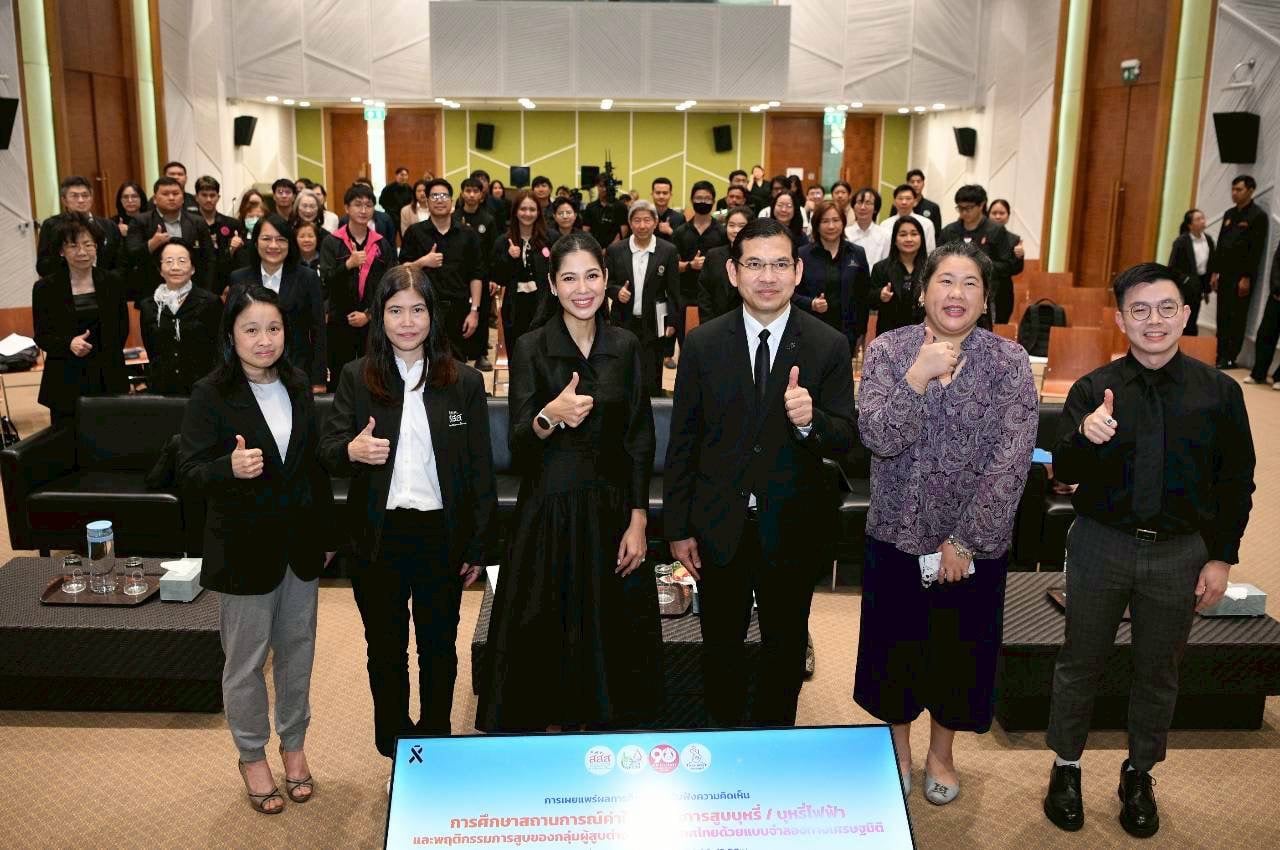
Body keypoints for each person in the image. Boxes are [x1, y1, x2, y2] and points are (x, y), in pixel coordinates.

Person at [1043, 262, 1255, 838]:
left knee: (1158, 670)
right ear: (1120, 320)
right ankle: (1066, 766)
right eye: (1139, 309)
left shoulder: (1220, 393)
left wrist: (1221, 557)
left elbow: (1237, 482)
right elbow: (1063, 470)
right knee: (1080, 660)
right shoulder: (1094, 389)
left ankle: (1139, 772)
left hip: (1179, 552)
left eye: (1165, 308)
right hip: (1100, 545)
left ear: (1185, 315)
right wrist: (1084, 437)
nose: (1153, 320)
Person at [854, 241, 1037, 804]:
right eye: (945, 281)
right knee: (895, 652)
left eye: (970, 283)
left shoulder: (1009, 362)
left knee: (958, 655)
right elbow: (878, 438)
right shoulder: (888, 351)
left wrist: (967, 540)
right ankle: (898, 749)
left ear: (986, 298)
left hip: (972, 544)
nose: (956, 294)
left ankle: (941, 753)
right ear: (922, 291)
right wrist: (917, 376)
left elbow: (1012, 460)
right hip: (897, 534)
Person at [665, 218, 857, 729]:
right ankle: (724, 741)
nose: (767, 277)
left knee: (785, 647)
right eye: (754, 264)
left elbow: (847, 438)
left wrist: (812, 421)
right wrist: (679, 527)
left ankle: (776, 744)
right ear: (733, 272)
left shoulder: (827, 344)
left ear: (797, 272)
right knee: (720, 645)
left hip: (792, 525)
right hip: (718, 524)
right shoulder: (703, 344)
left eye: (778, 264)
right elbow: (683, 442)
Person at [477, 232, 661, 732]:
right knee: (544, 636)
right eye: (570, 278)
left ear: (606, 279)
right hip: (549, 512)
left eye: (592, 276)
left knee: (613, 637)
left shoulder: (626, 346)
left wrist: (639, 519)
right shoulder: (531, 346)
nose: (583, 289)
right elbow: (519, 441)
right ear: (553, 285)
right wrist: (550, 415)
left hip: (612, 512)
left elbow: (639, 438)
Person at [319, 264, 495, 779]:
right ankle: (396, 745)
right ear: (380, 316)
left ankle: (435, 741)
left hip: (442, 535)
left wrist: (478, 545)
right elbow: (328, 451)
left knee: (439, 648)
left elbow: (480, 469)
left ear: (433, 315)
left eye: (417, 309)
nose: (408, 321)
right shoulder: (357, 377)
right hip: (379, 537)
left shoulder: (463, 381)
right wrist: (351, 450)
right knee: (386, 649)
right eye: (395, 310)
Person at [177, 284, 333, 815]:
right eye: (251, 329)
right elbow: (188, 472)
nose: (264, 340)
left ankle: (294, 746)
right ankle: (251, 756)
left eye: (273, 328)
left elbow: (312, 468)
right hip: (243, 550)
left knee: (297, 652)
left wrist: (326, 534)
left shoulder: (297, 384)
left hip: (299, 546)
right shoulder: (210, 393)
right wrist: (228, 467)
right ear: (231, 335)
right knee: (245, 663)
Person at [32, 213, 129, 425]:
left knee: (110, 434)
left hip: (107, 375)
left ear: (97, 247)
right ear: (61, 251)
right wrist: (69, 343)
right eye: (73, 246)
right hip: (66, 376)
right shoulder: (45, 288)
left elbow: (122, 329)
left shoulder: (112, 281)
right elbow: (42, 335)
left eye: (88, 244)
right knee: (67, 439)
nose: (82, 252)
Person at [229, 215, 327, 393]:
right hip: (249, 374)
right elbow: (230, 329)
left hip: (297, 370)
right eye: (266, 239)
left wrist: (318, 379)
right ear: (256, 242)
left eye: (281, 239)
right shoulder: (239, 278)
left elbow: (318, 329)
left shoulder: (307, 277)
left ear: (289, 244)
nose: (273, 245)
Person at [400, 178, 483, 367]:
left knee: (457, 365)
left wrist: (474, 311)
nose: (439, 200)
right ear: (427, 200)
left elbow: (476, 275)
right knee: (423, 364)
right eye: (434, 196)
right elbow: (402, 270)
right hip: (424, 309)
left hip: (459, 310)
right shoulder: (415, 232)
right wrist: (423, 262)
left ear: (451, 201)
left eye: (444, 196)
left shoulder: (467, 234)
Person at [320, 183, 396, 391]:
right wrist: (347, 265)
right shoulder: (332, 242)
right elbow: (325, 280)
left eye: (368, 205)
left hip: (372, 320)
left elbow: (389, 284)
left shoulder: (381, 244)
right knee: (340, 375)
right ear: (346, 208)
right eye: (358, 204)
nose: (363, 210)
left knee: (373, 374)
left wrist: (369, 314)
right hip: (339, 319)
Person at [606, 200, 680, 396]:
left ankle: (653, 410)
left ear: (655, 222)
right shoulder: (616, 250)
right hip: (623, 321)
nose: (642, 225)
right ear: (630, 223)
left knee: (651, 374)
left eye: (647, 220)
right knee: (623, 371)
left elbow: (674, 290)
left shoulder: (668, 250)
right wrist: (616, 292)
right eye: (637, 220)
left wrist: (673, 321)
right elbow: (607, 283)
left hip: (654, 322)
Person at [139, 239, 223, 395]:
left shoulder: (210, 302)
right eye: (169, 261)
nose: (175, 267)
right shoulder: (148, 306)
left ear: (193, 268)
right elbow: (151, 349)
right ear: (160, 270)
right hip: (161, 389)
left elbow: (219, 348)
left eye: (182, 261)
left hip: (203, 388)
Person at [939, 185, 1021, 323]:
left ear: (982, 205)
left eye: (969, 208)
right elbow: (938, 261)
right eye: (960, 208)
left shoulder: (996, 230)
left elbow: (1007, 265)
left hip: (989, 295)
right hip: (955, 294)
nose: (964, 212)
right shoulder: (949, 231)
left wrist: (978, 265)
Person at [795, 200, 869, 352]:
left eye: (836, 220)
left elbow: (863, 296)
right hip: (811, 332)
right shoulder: (802, 254)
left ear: (843, 223)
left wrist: (861, 332)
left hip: (846, 334)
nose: (831, 226)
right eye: (825, 221)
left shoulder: (857, 253)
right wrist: (811, 303)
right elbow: (790, 294)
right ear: (816, 224)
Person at [1211, 174, 1268, 369]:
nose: (1234, 193)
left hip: (1241, 276)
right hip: (1224, 274)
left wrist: (1246, 277)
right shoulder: (1229, 214)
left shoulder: (1258, 216)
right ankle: (1219, 354)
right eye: (1233, 189)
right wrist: (1215, 272)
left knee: (1236, 316)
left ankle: (1230, 357)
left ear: (1250, 191)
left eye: (1239, 190)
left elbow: (1256, 251)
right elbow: (1220, 244)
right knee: (1222, 315)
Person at [126, 176, 215, 298]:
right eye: (165, 194)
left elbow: (209, 259)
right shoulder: (140, 221)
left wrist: (206, 291)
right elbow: (131, 256)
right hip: (153, 292)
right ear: (155, 199)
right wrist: (151, 245)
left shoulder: (197, 222)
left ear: (183, 198)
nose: (171, 198)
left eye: (176, 193)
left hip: (193, 291)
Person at [671, 181, 729, 361]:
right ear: (691, 200)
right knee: (687, 346)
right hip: (686, 296)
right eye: (698, 198)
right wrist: (690, 265)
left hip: (715, 298)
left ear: (713, 201)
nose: (702, 201)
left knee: (715, 347)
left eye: (707, 198)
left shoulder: (722, 232)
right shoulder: (680, 232)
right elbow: (672, 266)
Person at [491, 190, 552, 358]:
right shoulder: (503, 241)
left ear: (538, 212)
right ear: (515, 211)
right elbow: (497, 277)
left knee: (542, 352)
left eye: (532, 209)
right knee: (517, 352)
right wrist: (509, 258)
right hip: (515, 305)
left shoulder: (549, 238)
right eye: (523, 209)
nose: (527, 213)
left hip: (543, 305)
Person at [37, 177, 125, 278]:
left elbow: (120, 263)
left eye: (85, 195)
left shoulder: (109, 226)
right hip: (65, 283)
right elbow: (43, 265)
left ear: (91, 198)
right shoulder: (51, 225)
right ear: (64, 200)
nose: (81, 200)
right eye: (74, 196)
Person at [455, 178, 499, 372]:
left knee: (481, 312)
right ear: (462, 193)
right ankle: (459, 352)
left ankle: (481, 354)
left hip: (482, 275)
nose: (471, 195)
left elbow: (493, 251)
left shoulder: (488, 219)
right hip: (459, 275)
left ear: (481, 195)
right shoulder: (454, 217)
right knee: (459, 313)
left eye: (475, 191)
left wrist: (493, 277)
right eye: (468, 190)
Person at [869, 217, 925, 335]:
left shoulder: (931, 268)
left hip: (923, 333)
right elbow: (869, 300)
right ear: (895, 240)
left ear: (921, 239)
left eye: (914, 234)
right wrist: (880, 295)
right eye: (903, 235)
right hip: (889, 333)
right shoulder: (881, 268)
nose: (909, 239)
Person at [697, 206, 751, 324]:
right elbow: (704, 293)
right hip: (715, 322)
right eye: (731, 225)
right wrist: (708, 324)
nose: (736, 230)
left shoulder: (757, 258)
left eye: (741, 226)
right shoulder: (713, 255)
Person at [1166, 208, 1213, 339]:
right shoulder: (1181, 242)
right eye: (1198, 219)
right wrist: (1186, 280)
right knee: (1182, 318)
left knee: (1193, 317)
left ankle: (1190, 344)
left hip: (1199, 284)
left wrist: (1207, 288)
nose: (1202, 221)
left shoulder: (1209, 240)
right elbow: (1172, 267)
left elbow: (1210, 264)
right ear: (1190, 225)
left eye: (1203, 218)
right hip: (1185, 286)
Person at [194, 176, 245, 294]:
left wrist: (233, 249)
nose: (208, 199)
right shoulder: (189, 224)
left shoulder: (232, 224)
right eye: (204, 195)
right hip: (197, 282)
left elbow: (238, 261)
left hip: (225, 283)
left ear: (218, 197)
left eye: (212, 195)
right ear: (196, 197)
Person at [1246, 241, 1280, 388]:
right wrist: (1276, 288)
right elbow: (1277, 263)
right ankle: (1258, 374)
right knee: (1266, 334)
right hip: (1277, 296)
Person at [879, 184, 937, 256]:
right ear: (894, 202)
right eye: (900, 198)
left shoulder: (926, 224)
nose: (904, 202)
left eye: (908, 198)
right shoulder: (885, 224)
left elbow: (930, 251)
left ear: (915, 202)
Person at [845, 187, 888, 266]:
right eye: (859, 202)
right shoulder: (845, 233)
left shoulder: (884, 235)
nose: (862, 207)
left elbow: (887, 264)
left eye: (868, 203)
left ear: (875, 209)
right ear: (853, 207)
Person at [581, 176, 628, 248]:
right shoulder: (590, 207)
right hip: (595, 248)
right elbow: (585, 230)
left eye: (606, 186)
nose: (604, 189)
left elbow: (623, 230)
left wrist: (609, 249)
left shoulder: (620, 206)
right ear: (597, 186)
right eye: (601, 186)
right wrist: (594, 248)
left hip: (615, 248)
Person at [379, 166, 415, 234]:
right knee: (391, 236)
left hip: (404, 216)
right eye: (402, 175)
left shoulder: (409, 188)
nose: (404, 177)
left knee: (406, 235)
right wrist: (390, 211)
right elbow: (381, 201)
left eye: (406, 175)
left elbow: (411, 202)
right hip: (391, 217)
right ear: (396, 175)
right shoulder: (388, 188)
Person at [651, 177, 685, 241]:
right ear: (652, 194)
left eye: (665, 193)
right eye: (658, 193)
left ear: (670, 195)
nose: (661, 196)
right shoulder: (645, 218)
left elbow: (684, 243)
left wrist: (670, 231)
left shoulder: (679, 218)